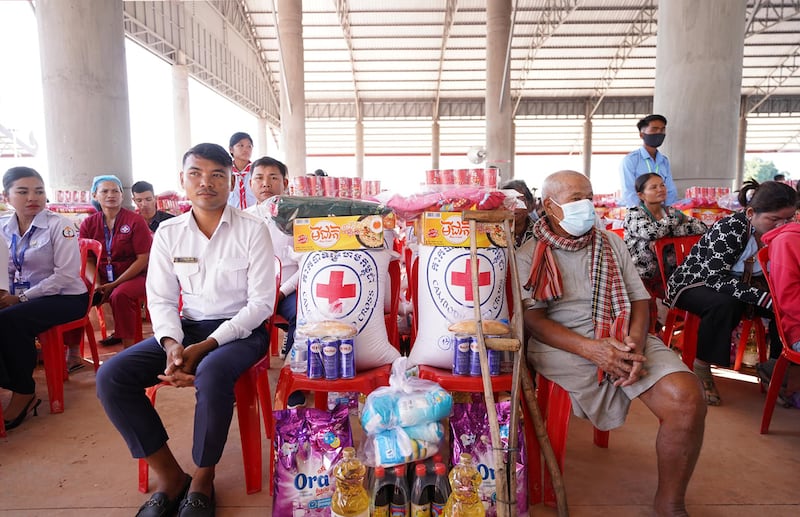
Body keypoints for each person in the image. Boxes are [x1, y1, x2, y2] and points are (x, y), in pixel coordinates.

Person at [96, 143, 275, 517]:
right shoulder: (169, 233)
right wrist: (172, 343)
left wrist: (207, 346)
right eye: (196, 174)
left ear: (231, 182)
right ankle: (170, 477)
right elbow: (160, 298)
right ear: (182, 180)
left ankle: (202, 479)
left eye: (217, 175)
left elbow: (260, 305)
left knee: (211, 371)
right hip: (188, 329)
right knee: (112, 376)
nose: (205, 183)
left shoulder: (253, 230)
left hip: (243, 332)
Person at [518, 170, 705, 517]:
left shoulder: (611, 243)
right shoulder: (530, 254)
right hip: (563, 346)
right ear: (550, 205)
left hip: (623, 335)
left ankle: (670, 503)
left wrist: (632, 343)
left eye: (589, 196)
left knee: (687, 397)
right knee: (597, 359)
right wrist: (592, 349)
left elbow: (638, 300)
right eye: (576, 199)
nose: (586, 206)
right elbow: (534, 320)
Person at [668, 180, 797, 406]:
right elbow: (714, 277)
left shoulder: (786, 237)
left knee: (782, 308)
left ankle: (776, 371)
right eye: (774, 219)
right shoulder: (731, 228)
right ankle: (702, 367)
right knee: (726, 304)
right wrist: (764, 297)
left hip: (741, 286)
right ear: (750, 212)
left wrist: (774, 299)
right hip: (694, 283)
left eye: (788, 219)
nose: (781, 225)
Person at [0, 167, 89, 430]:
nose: (32, 197)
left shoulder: (59, 225)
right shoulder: (4, 227)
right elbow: (5, 267)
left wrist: (22, 298)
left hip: (66, 298)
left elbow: (65, 275)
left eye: (39, 191)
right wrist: (4, 292)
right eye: (23, 191)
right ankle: (10, 380)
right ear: (7, 196)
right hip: (23, 298)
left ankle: (24, 391)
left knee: (10, 321)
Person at [79, 175, 152, 349]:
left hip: (136, 275)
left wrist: (114, 284)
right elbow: (87, 258)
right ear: (95, 195)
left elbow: (143, 259)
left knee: (120, 294)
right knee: (75, 292)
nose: (110, 194)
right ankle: (73, 351)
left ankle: (129, 349)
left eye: (115, 190)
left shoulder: (135, 221)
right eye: (105, 191)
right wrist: (96, 283)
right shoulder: (88, 223)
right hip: (102, 276)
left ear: (122, 195)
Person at [245, 156, 298, 357]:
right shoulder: (242, 219)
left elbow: (306, 265)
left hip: (288, 291)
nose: (265, 183)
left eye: (273, 177)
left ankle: (293, 374)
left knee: (305, 314)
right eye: (259, 178)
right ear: (251, 184)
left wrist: (282, 292)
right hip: (250, 293)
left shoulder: (299, 219)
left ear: (284, 183)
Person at [623, 173, 707, 299]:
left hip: (670, 275)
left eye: (662, 185)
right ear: (641, 195)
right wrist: (676, 220)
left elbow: (701, 227)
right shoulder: (634, 214)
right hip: (641, 277)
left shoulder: (669, 211)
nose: (660, 189)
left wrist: (666, 235)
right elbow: (651, 232)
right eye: (654, 187)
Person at [619, 114, 679, 208]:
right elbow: (629, 192)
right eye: (654, 129)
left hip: (661, 213)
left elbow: (670, 190)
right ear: (642, 135)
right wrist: (641, 213)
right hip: (640, 214)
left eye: (662, 130)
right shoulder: (631, 160)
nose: (659, 133)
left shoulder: (664, 161)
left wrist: (670, 212)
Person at [501, 179, 537, 248]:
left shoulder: (539, 231)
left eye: (519, 200)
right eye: (508, 201)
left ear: (529, 205)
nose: (513, 207)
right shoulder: (494, 232)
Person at [227, 132, 256, 209]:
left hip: (254, 217)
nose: (245, 149)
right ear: (231, 149)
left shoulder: (256, 172)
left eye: (249, 146)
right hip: (231, 217)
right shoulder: (225, 172)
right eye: (241, 146)